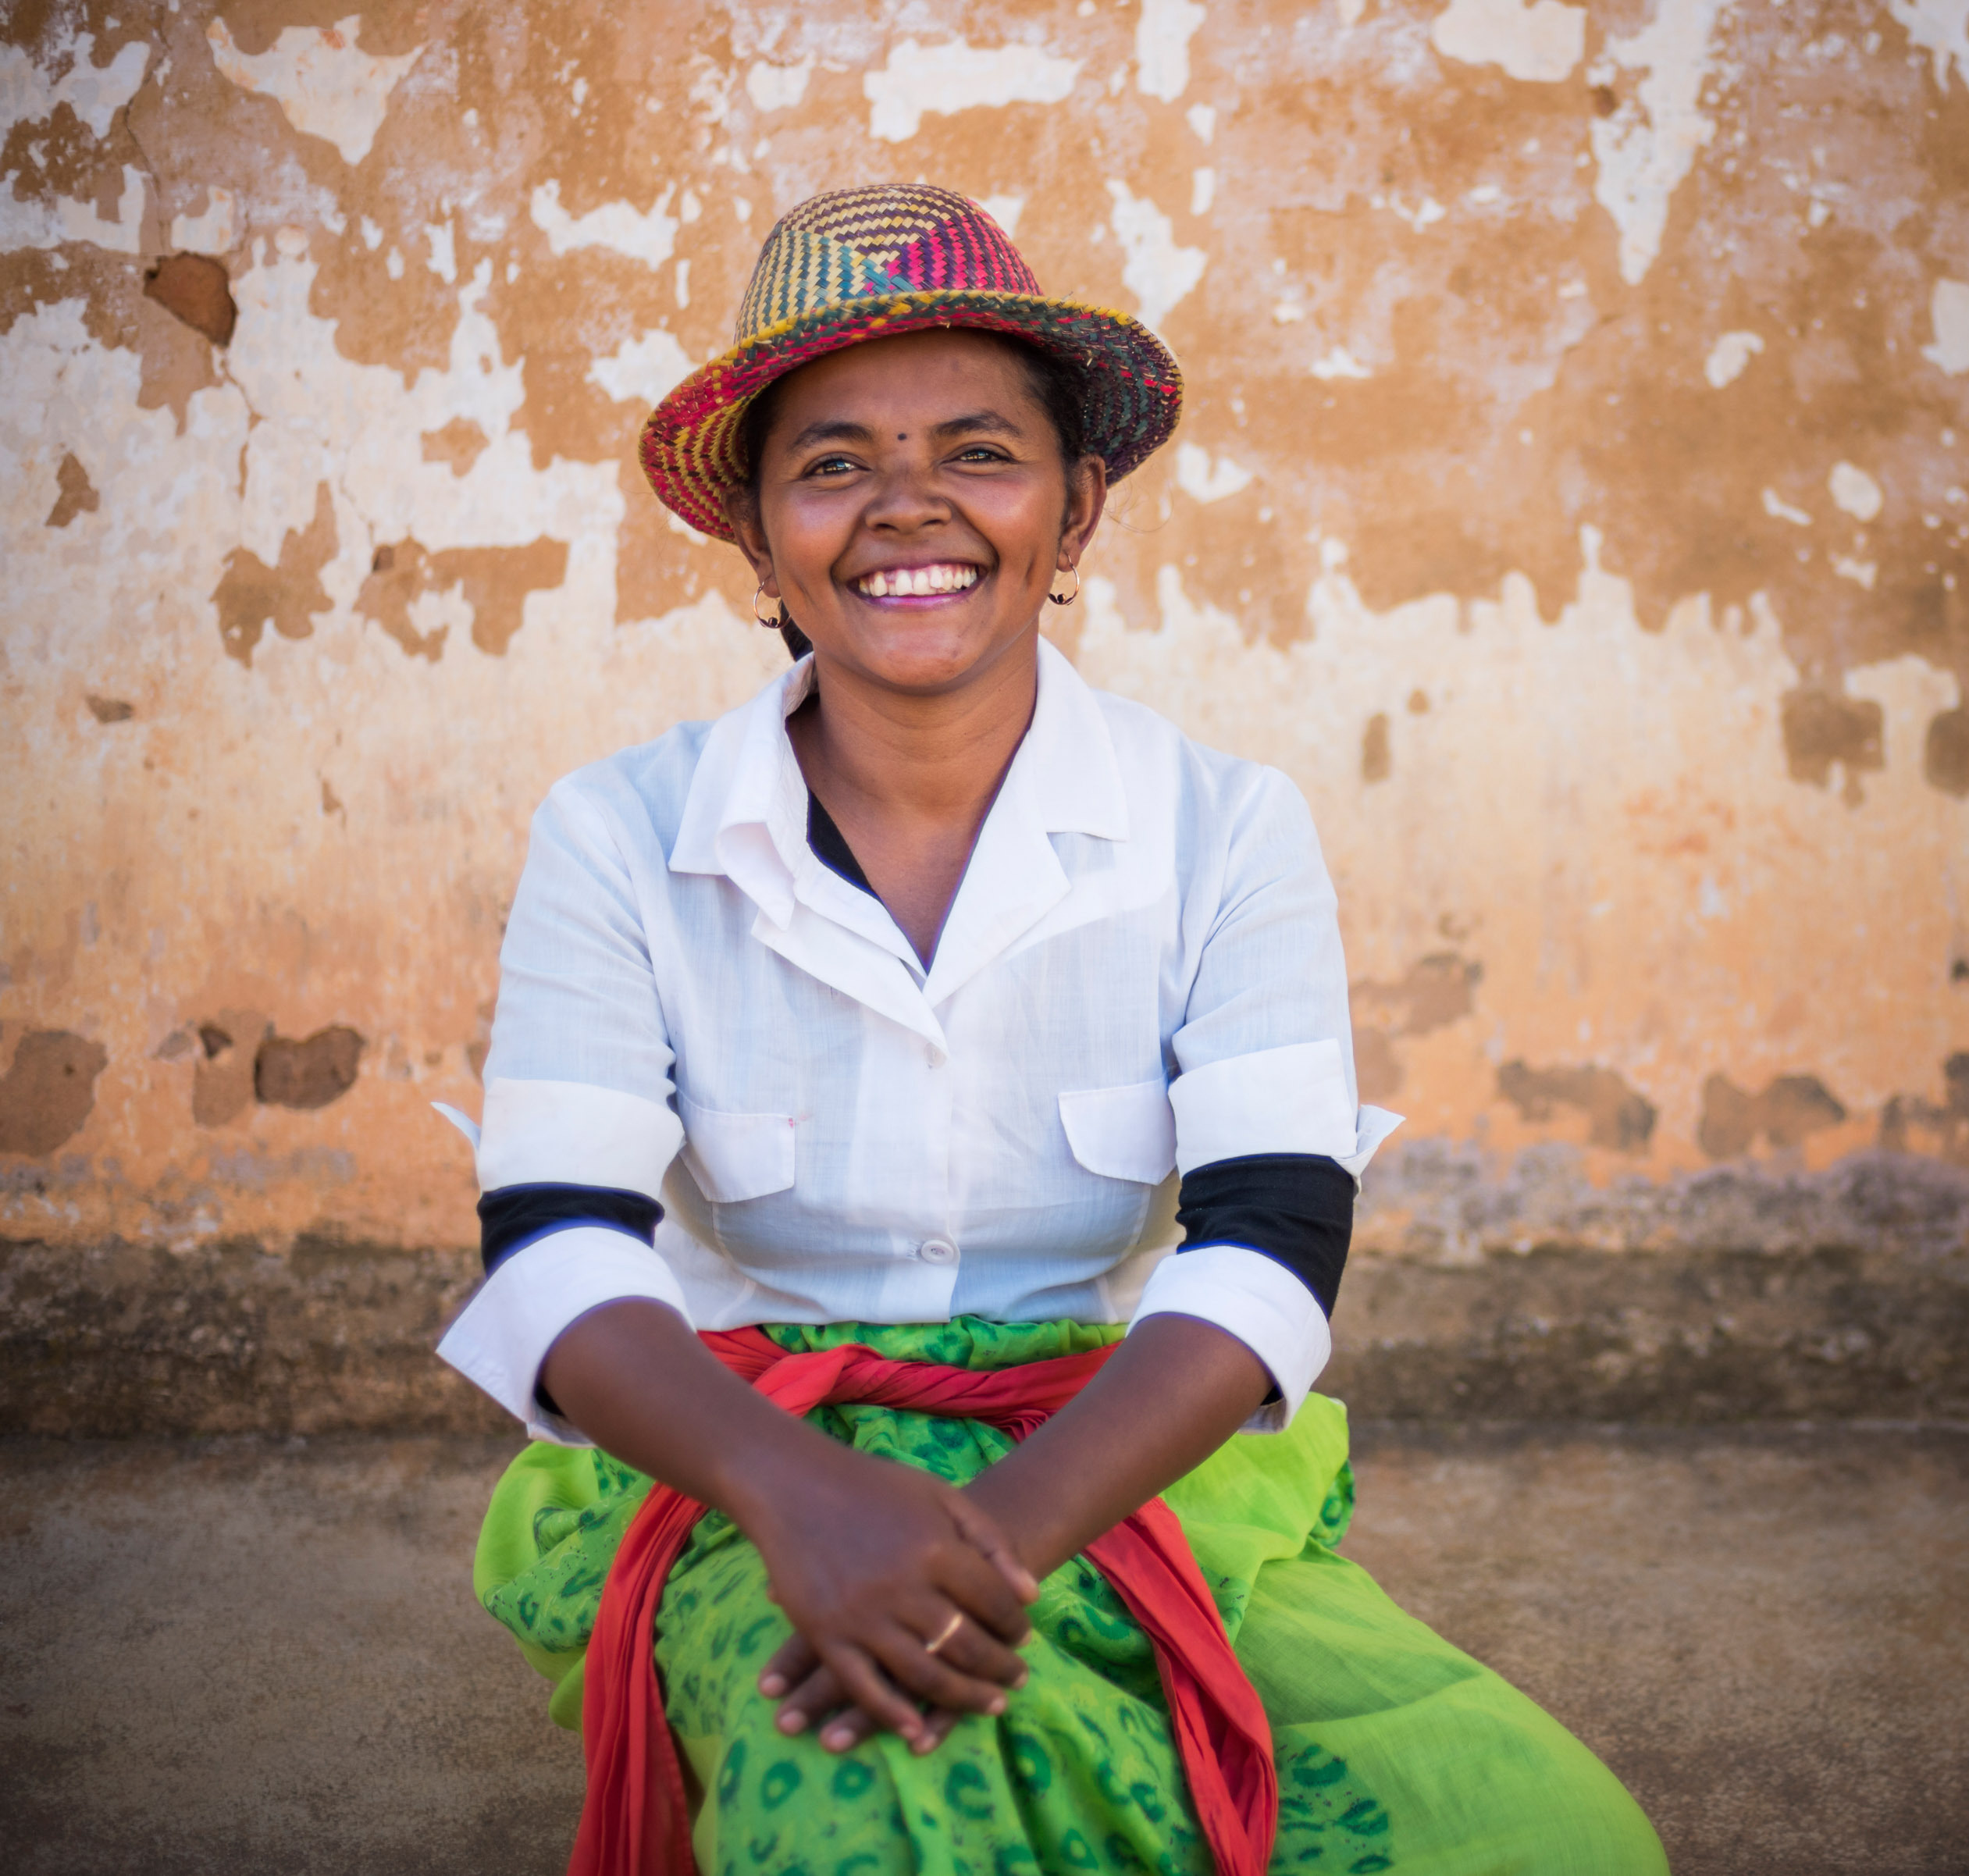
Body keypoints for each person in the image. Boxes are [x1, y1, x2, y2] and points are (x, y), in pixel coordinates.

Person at [440, 184, 1667, 1876]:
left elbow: (1271, 1246)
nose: (908, 505)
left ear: (1076, 507)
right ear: (760, 540)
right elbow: (556, 1244)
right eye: (833, 463)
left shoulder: (1225, 827)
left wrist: (996, 1542)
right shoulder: (617, 833)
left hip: (1114, 1466)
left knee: (1545, 1838)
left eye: (979, 451)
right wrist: (803, 1502)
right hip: (741, 1472)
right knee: (866, 1802)